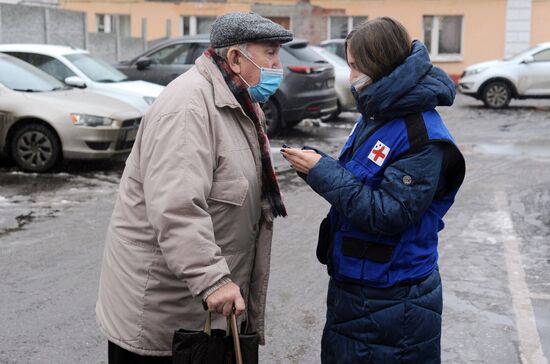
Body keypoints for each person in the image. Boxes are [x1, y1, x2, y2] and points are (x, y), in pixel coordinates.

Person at [96, 12, 292, 363]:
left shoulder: (239, 102)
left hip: (203, 313)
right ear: (235, 58)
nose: (279, 65)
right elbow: (177, 207)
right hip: (166, 318)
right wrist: (213, 280)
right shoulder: (187, 109)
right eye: (271, 53)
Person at [282, 17, 465, 364]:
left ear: (379, 65)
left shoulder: (420, 134)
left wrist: (322, 173)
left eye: (354, 66)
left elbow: (388, 213)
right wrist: (318, 164)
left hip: (393, 299)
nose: (350, 76)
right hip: (362, 290)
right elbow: (360, 178)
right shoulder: (379, 113)